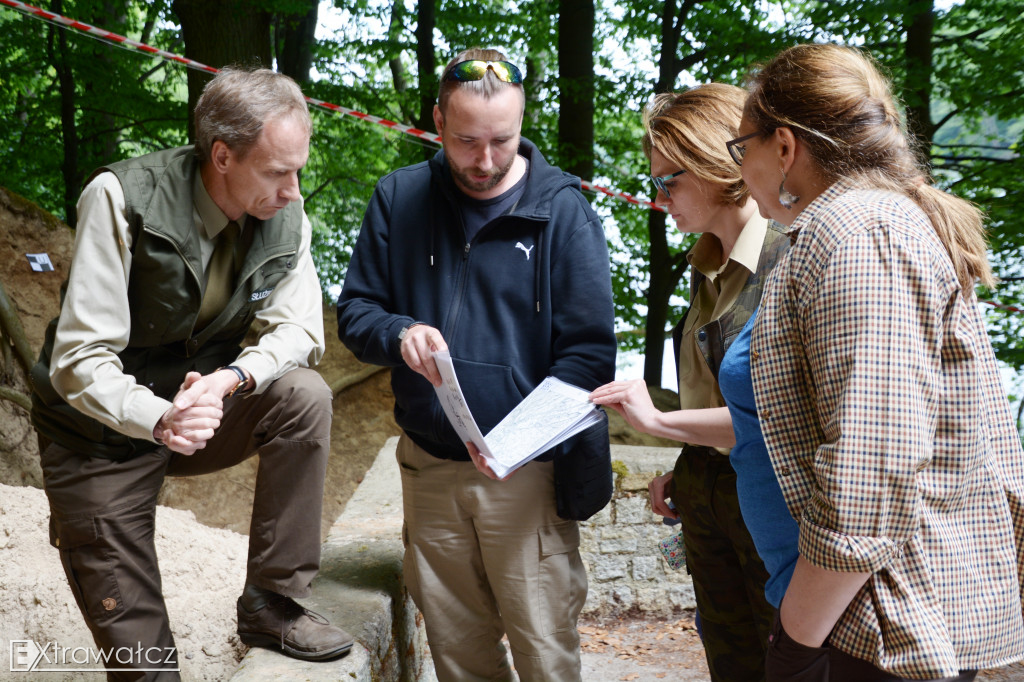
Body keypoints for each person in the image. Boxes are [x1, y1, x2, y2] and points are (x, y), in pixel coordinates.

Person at [30, 68, 354, 680]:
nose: (293, 189)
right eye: (278, 171)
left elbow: (301, 332)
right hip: (98, 435)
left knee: (302, 395)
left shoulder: (288, 213)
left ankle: (273, 604)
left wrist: (230, 379)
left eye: (300, 170)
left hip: (200, 407)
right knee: (147, 667)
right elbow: (78, 360)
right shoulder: (119, 197)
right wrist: (159, 417)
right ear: (223, 155)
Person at [732, 42, 1024, 680]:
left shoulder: (859, 232)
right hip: (876, 615)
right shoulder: (872, 223)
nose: (739, 168)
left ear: (784, 147)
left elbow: (870, 472)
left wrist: (796, 644)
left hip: (882, 627)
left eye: (741, 146)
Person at [336, 47, 616, 681]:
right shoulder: (398, 197)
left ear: (522, 125)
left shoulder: (564, 213)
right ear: (437, 121)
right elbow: (356, 310)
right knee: (458, 656)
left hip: (527, 476)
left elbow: (591, 356)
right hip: (431, 467)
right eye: (466, 141)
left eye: (502, 141)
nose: (485, 161)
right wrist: (398, 331)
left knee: (545, 652)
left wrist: (520, 440)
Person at [590, 83, 791, 681]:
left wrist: (657, 422)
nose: (660, 197)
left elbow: (777, 419)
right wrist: (689, 467)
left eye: (668, 181)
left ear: (714, 162)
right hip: (711, 499)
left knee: (784, 662)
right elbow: (718, 397)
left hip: (770, 508)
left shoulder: (791, 258)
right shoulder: (708, 264)